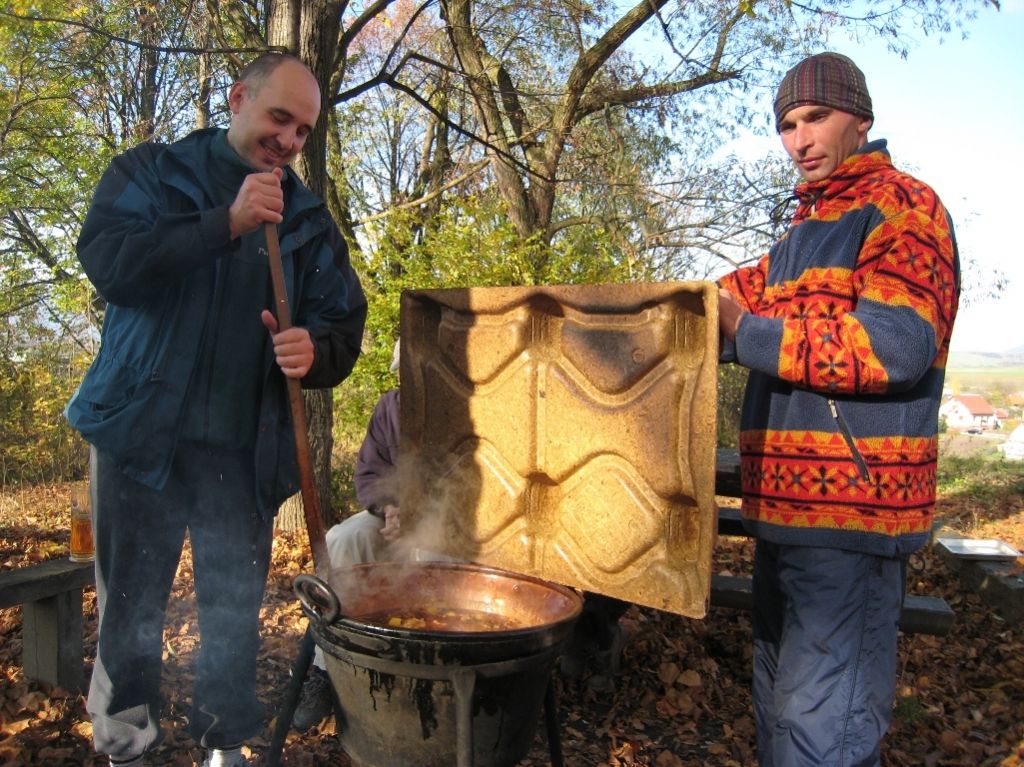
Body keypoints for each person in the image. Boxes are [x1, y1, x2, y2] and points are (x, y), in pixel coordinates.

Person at [65, 53, 367, 767]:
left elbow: (342, 324)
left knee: (232, 612)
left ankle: (223, 747)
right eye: (279, 118)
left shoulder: (310, 222)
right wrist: (223, 223)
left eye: (303, 130)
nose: (290, 140)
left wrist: (312, 350)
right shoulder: (152, 174)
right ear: (238, 99)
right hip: (141, 437)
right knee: (129, 605)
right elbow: (110, 261)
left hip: (242, 449)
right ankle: (126, 742)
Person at [716, 52, 959, 766]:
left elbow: (895, 347)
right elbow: (711, 307)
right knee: (780, 720)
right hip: (782, 518)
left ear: (861, 118)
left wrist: (746, 331)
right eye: (787, 125)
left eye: (815, 117)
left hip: (851, 522)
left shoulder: (905, 209)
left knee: (823, 735)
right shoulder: (797, 240)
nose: (799, 139)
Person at [292, 340, 402, 732]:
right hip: (396, 521)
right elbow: (371, 474)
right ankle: (326, 670)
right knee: (342, 539)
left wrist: (434, 515)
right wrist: (390, 507)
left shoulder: (473, 409)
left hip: (461, 529)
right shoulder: (390, 406)